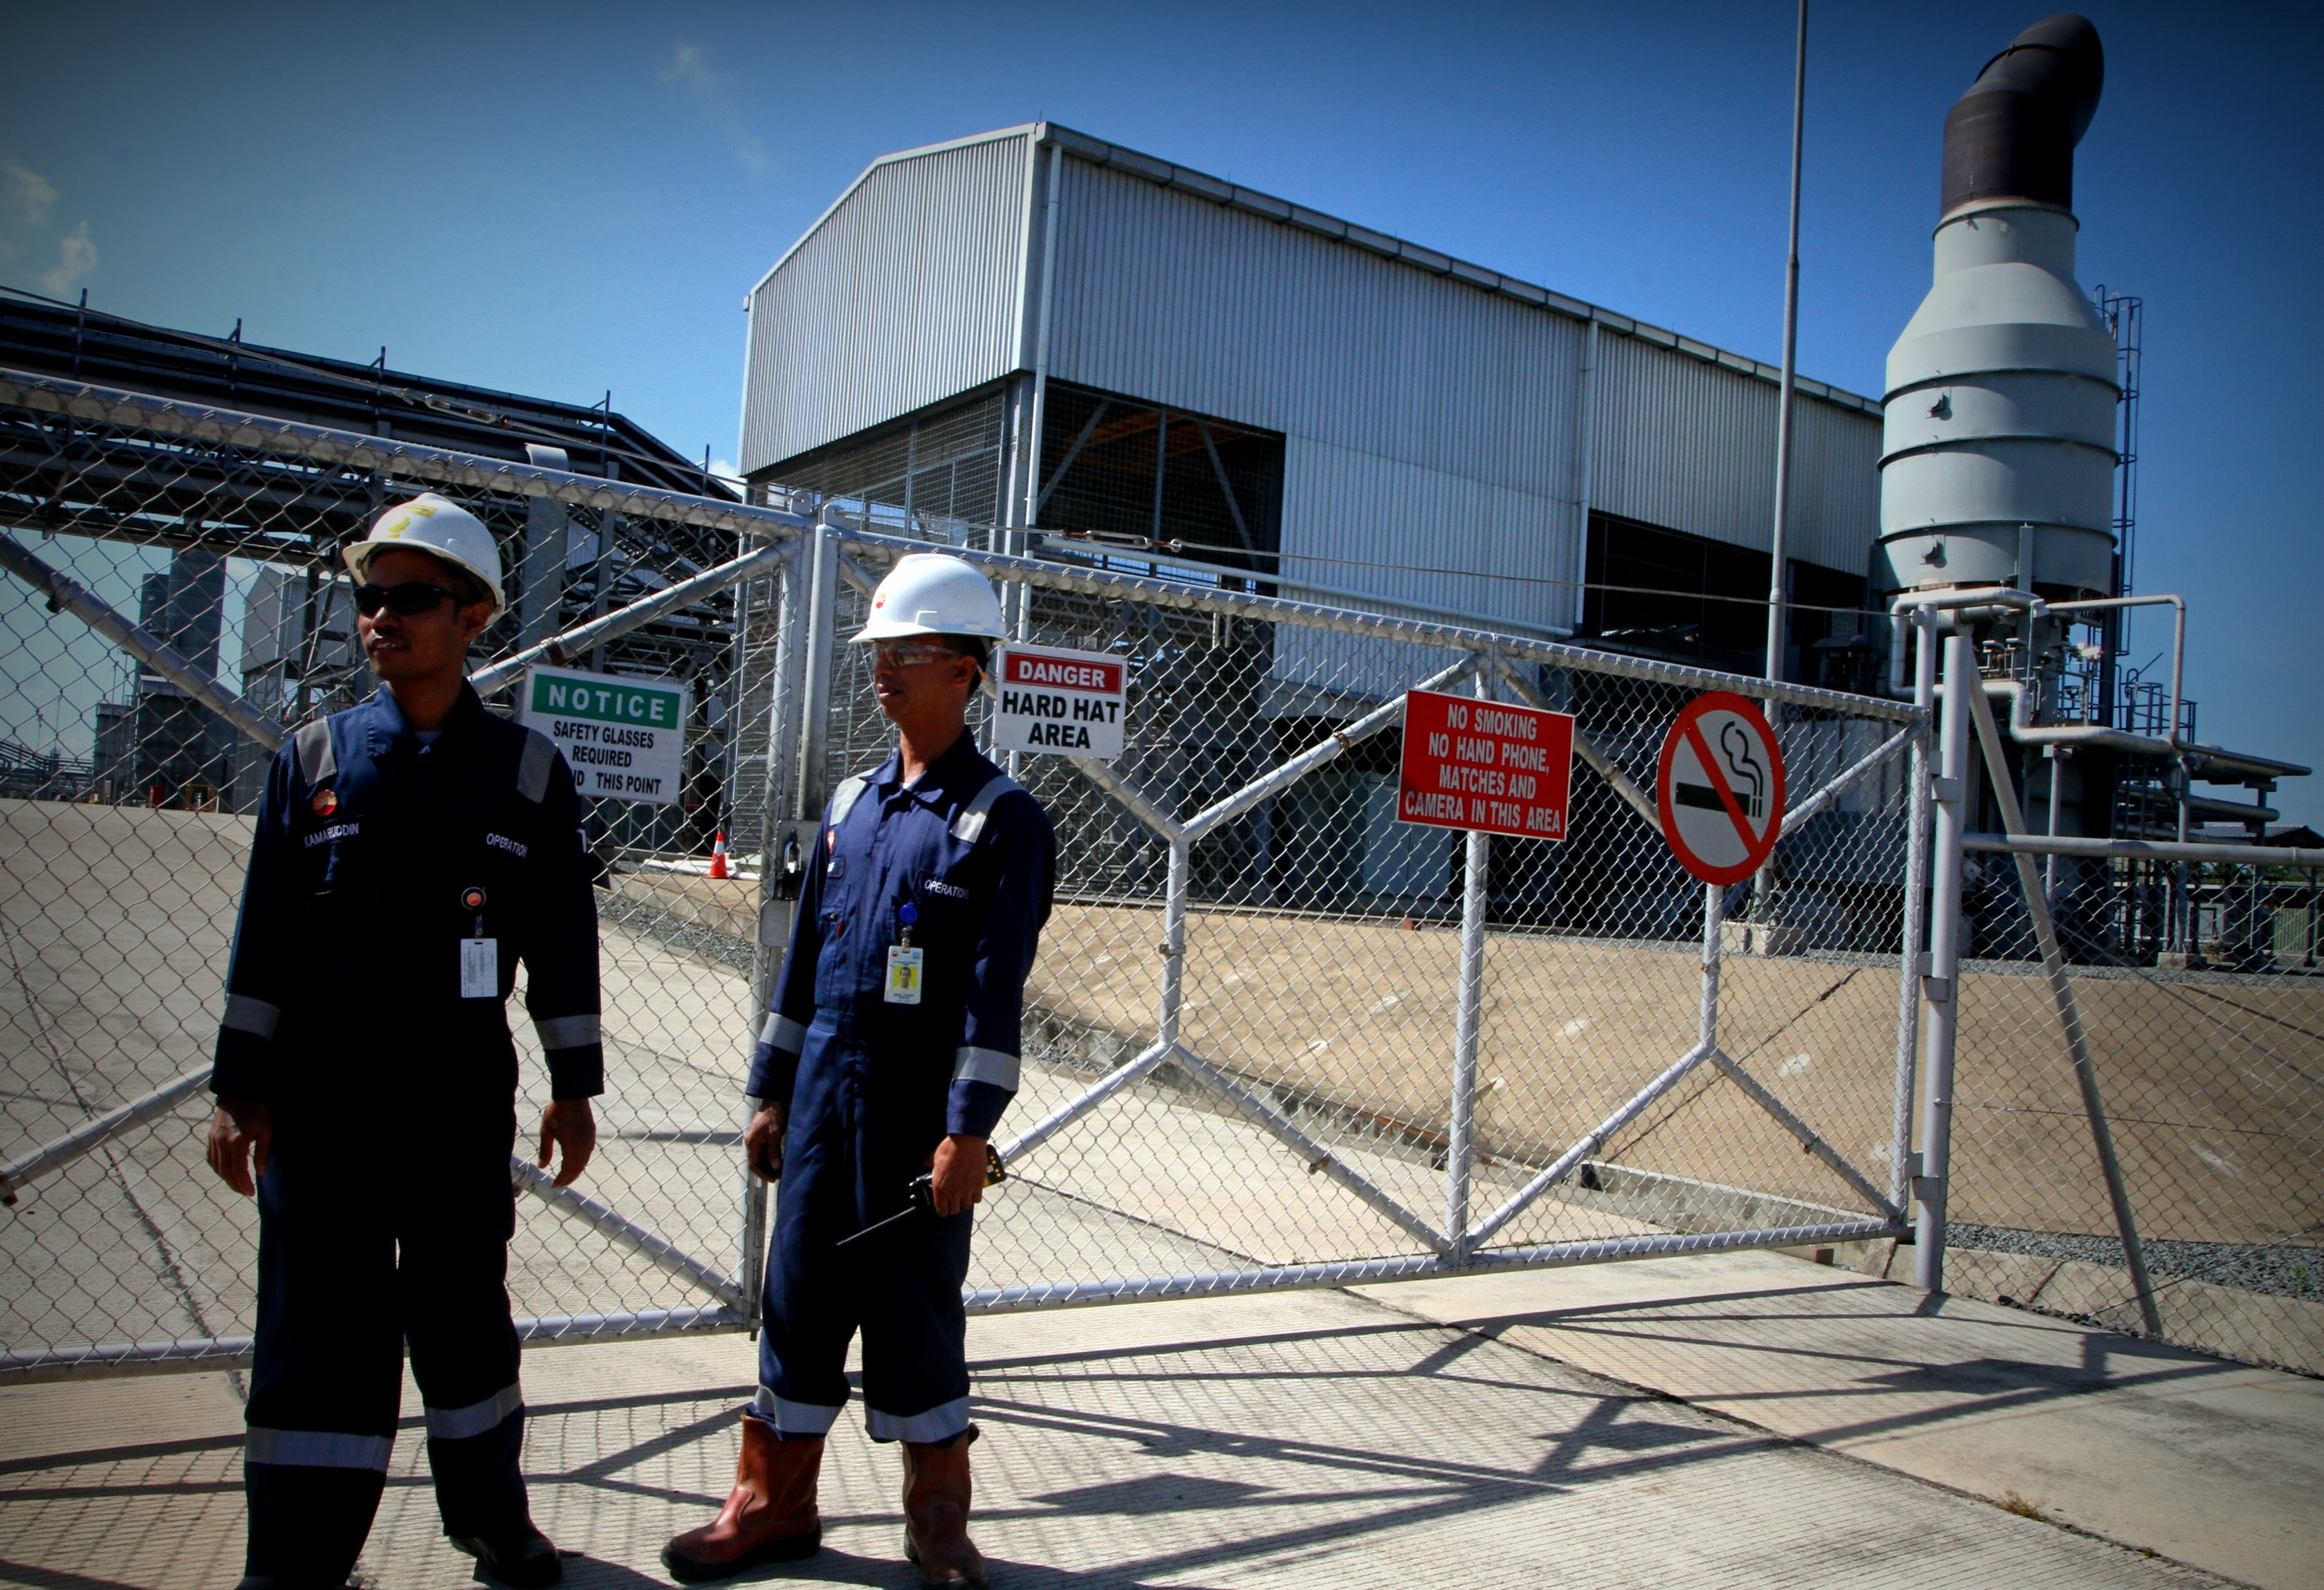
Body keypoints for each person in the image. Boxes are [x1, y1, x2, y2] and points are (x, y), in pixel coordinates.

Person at [205, 492, 603, 1590]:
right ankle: (293, 1562)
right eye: (371, 600)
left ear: (474, 618)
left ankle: (491, 1523)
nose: (383, 618)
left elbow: (563, 937)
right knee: (316, 1340)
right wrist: (242, 1090)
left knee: (466, 1326)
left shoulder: (526, 772)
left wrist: (576, 1087)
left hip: (454, 1109)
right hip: (323, 1113)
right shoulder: (316, 760)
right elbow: (265, 945)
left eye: (412, 600)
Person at [663, 553, 1055, 1587]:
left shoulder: (1001, 818)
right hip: (826, 1099)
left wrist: (968, 1129)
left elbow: (992, 992)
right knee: (795, 1296)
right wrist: (771, 1092)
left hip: (917, 1114)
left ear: (968, 669)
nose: (886, 669)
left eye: (910, 652)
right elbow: (804, 966)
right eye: (880, 651)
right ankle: (771, 1505)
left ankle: (938, 1523)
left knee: (916, 1314)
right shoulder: (855, 803)